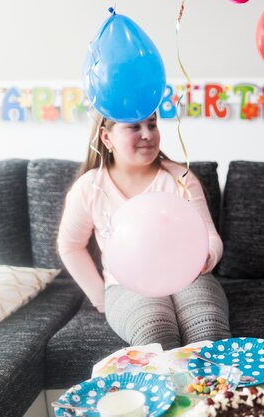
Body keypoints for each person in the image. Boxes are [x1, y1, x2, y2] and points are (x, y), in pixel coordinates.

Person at [58, 112, 231, 349]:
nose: (148, 135)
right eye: (134, 127)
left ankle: (222, 386)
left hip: (190, 279)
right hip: (125, 285)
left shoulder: (179, 178)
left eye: (152, 125)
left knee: (208, 330)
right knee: (155, 334)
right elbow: (70, 246)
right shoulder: (90, 187)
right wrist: (101, 298)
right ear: (106, 138)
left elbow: (210, 236)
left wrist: (207, 257)